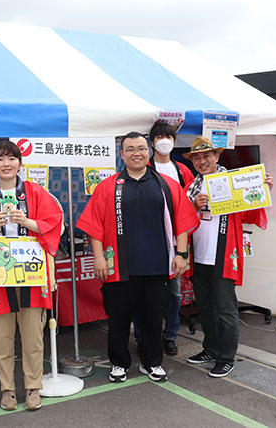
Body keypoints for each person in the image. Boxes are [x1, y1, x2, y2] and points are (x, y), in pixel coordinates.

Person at [76, 132, 199, 383]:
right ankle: (119, 363)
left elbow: (183, 222)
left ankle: (152, 362)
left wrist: (181, 254)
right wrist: (98, 258)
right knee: (118, 319)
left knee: (153, 319)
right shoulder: (108, 186)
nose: (136, 153)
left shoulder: (166, 184)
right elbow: (94, 225)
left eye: (141, 148)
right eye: (130, 149)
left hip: (156, 265)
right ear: (122, 155)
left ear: (149, 151)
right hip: (118, 266)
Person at [0, 140, 62, 411]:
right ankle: (7, 389)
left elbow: (54, 222)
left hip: (30, 275)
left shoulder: (35, 192)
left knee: (33, 335)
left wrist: (27, 222)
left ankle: (33, 387)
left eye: (11, 158)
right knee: (1, 337)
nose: (6, 164)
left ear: (20, 163)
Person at [183, 136, 272, 378]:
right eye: (197, 158)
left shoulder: (234, 183)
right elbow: (180, 220)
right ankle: (210, 349)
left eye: (206, 156)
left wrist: (260, 190)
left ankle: (226, 356)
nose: (202, 161)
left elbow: (249, 214)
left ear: (217, 157)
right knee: (205, 307)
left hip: (222, 255)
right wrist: (193, 206)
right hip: (199, 255)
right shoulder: (192, 186)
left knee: (225, 308)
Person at [135, 121, 195, 356]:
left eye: (168, 136)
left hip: (175, 243)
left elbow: (188, 207)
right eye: (159, 137)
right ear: (151, 142)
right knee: (143, 293)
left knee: (174, 293)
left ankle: (169, 335)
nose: (164, 141)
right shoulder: (143, 167)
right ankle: (142, 336)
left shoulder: (182, 170)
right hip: (146, 241)